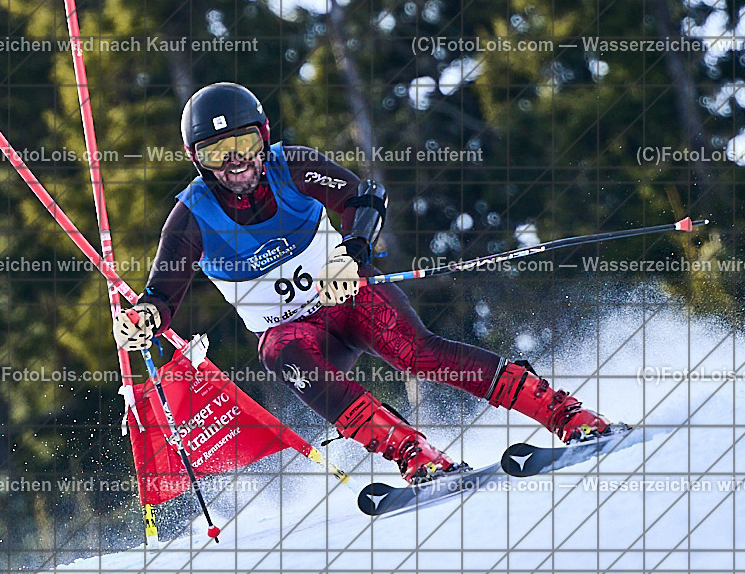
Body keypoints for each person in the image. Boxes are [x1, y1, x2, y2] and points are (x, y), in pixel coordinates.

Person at [112, 82, 611, 484]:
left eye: (243, 143)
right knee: (278, 353)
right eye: (217, 151)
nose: (235, 160)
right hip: (297, 334)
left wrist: (350, 255)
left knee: (418, 354)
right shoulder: (191, 215)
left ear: (263, 137)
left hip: (349, 297)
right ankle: (415, 454)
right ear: (197, 158)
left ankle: (564, 413)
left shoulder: (294, 166)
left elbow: (364, 198)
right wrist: (143, 321)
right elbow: (161, 296)